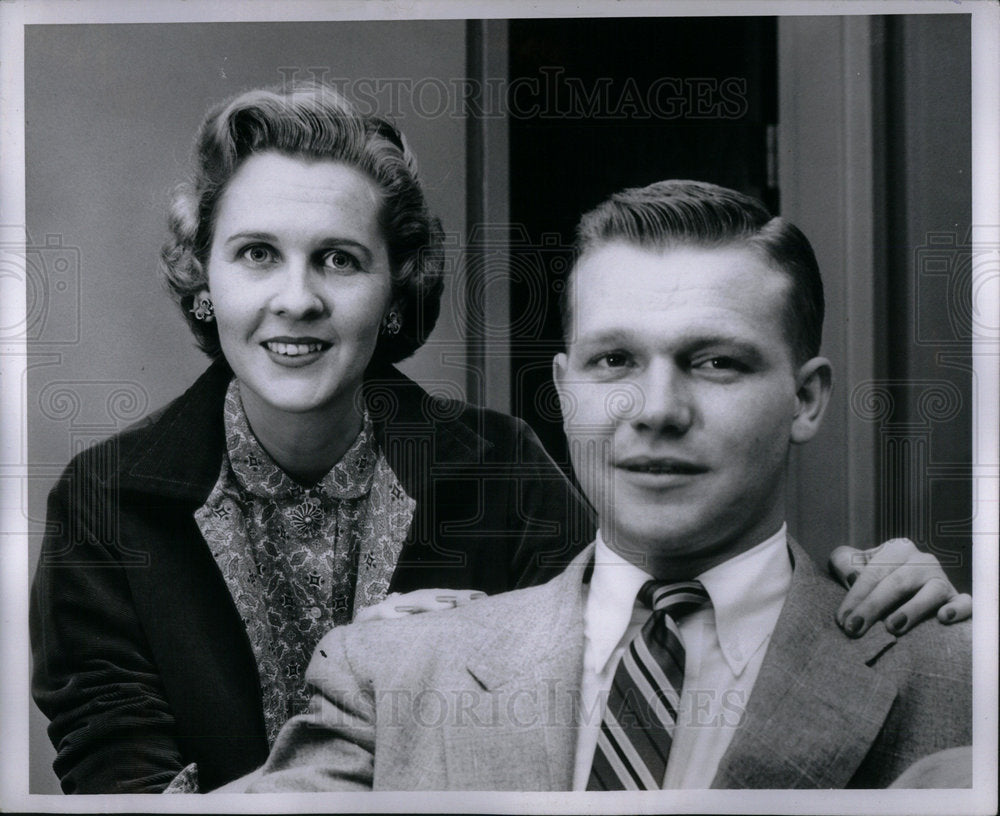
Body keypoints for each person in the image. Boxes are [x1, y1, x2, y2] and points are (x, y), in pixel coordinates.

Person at [29, 82, 966, 794]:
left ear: (396, 287)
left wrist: (865, 584)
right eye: (256, 254)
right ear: (204, 277)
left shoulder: (500, 464)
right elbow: (122, 791)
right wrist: (380, 687)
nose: (298, 297)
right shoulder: (105, 501)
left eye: (341, 259)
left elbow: (643, 600)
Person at [244, 180, 972, 792]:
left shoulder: (958, 673)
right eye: (615, 361)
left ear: (806, 399)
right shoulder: (394, 674)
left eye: (715, 362)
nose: (655, 410)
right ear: (564, 393)